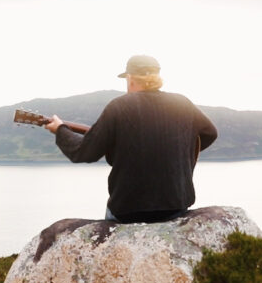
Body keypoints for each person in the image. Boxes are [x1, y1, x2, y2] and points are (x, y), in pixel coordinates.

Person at [44, 55, 218, 223]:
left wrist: (60, 129)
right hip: (176, 206)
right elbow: (210, 133)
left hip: (128, 210)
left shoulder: (119, 106)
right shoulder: (182, 103)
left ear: (130, 78)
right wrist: (177, 153)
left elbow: (83, 153)